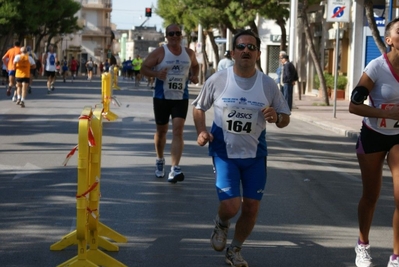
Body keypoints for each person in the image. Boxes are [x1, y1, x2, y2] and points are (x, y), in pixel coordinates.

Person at [192, 29, 290, 267]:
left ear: (257, 54)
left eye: (251, 47)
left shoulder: (268, 84)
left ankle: (235, 249)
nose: (246, 50)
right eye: (242, 47)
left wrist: (276, 117)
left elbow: (285, 117)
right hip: (224, 152)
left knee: (251, 208)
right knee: (231, 205)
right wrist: (201, 131)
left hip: (255, 155)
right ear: (233, 52)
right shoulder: (218, 79)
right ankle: (222, 222)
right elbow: (199, 107)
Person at [349, 17, 399, 267]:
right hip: (373, 135)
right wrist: (386, 113)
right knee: (371, 196)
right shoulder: (376, 67)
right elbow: (354, 105)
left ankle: (396, 256)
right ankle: (362, 244)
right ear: (389, 40)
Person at [141, 23, 199, 183]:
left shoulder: (189, 53)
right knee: (161, 132)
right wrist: (156, 74)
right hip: (161, 98)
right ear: (166, 36)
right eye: (171, 34)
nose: (174, 36)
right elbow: (143, 68)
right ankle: (160, 159)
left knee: (178, 131)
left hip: (181, 98)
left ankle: (174, 168)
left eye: (177, 33)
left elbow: (195, 66)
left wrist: (194, 76)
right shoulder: (160, 52)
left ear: (181, 35)